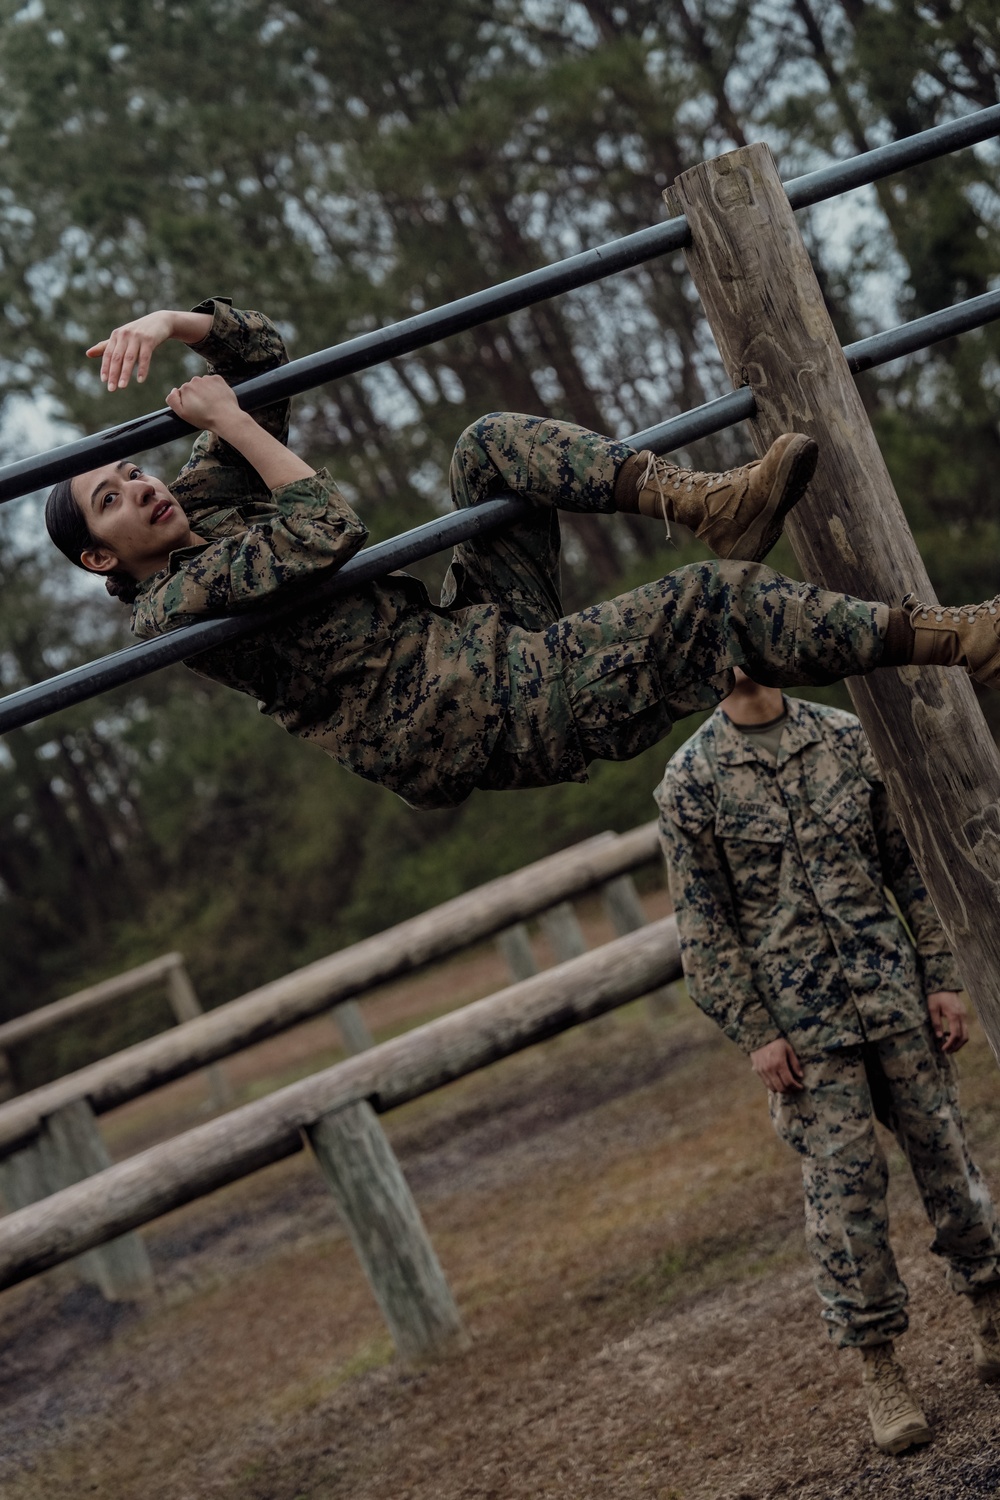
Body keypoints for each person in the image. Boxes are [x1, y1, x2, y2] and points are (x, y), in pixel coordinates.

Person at [44, 297, 1000, 810]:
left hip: (476, 636)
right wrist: (233, 428)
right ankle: (966, 639)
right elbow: (325, 530)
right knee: (712, 605)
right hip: (477, 715)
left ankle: (708, 502)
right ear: (99, 559)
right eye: (114, 497)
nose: (146, 486)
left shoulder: (199, 506)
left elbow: (263, 358)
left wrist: (172, 324)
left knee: (488, 444)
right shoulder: (173, 611)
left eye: (136, 471)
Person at [655, 669, 1000, 1456]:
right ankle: (881, 1370)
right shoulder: (691, 782)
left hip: (893, 995)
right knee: (847, 1204)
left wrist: (943, 976)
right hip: (804, 1033)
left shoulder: (847, 739)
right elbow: (703, 930)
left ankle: (992, 1309)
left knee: (948, 1159)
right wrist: (756, 1032)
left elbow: (910, 869)